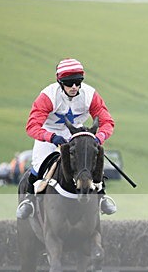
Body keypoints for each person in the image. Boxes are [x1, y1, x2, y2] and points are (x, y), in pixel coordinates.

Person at [17, 58, 116, 219]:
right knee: (39, 164)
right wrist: (51, 137)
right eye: (69, 83)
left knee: (91, 161)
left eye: (78, 82)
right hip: (50, 134)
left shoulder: (90, 95)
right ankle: (29, 199)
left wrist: (98, 139)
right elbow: (32, 126)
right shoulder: (48, 96)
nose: (74, 87)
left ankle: (102, 196)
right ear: (60, 82)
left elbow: (107, 122)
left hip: (76, 134)